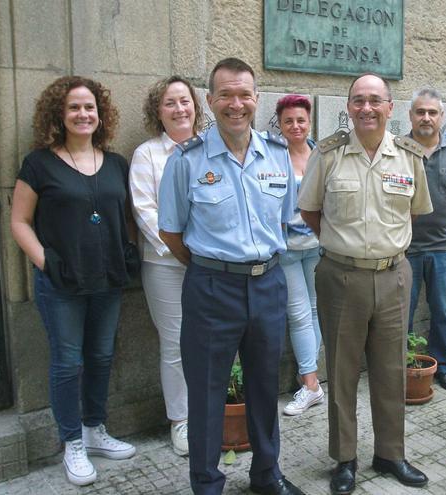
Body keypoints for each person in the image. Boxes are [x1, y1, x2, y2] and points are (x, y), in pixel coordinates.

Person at [158, 58, 303, 495]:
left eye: (244, 95)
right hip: (211, 289)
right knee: (206, 394)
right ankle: (206, 484)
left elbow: (285, 222)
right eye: (225, 95)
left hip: (267, 284)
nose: (235, 104)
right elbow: (171, 232)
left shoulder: (277, 158)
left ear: (257, 99)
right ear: (210, 100)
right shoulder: (186, 161)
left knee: (264, 388)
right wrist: (213, 269)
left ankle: (266, 475)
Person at [298, 73, 432, 495]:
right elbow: (311, 212)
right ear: (349, 107)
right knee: (340, 372)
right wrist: (347, 248)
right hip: (341, 276)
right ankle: (345, 458)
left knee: (391, 369)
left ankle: (390, 453)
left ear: (391, 108)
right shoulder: (329, 153)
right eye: (359, 100)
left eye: (376, 100)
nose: (367, 108)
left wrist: (382, 251)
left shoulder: (410, 157)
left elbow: (413, 214)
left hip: (393, 276)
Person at [10, 76, 136, 486]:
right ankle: (72, 443)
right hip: (61, 283)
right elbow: (18, 221)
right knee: (68, 362)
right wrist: (46, 261)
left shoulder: (116, 163)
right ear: (59, 115)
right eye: (74, 108)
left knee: (100, 357)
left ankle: (93, 429)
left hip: (108, 279)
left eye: (89, 108)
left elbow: (128, 219)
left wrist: (129, 251)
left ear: (101, 115)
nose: (83, 114)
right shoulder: (39, 163)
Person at [129, 75, 205, 456]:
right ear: (158, 112)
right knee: (175, 343)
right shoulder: (148, 155)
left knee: (210, 340)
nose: (179, 109)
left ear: (196, 106)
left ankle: (209, 413)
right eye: (170, 103)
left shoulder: (210, 148)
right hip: (165, 265)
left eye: (185, 101)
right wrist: (182, 252)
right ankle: (182, 421)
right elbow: (145, 212)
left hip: (211, 265)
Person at [405, 87, 446, 391]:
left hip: (444, 247)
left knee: (443, 309)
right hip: (404, 248)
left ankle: (443, 365)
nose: (426, 117)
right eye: (420, 112)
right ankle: (401, 365)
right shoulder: (397, 148)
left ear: (442, 117)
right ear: (411, 116)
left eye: (432, 112)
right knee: (401, 312)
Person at [274, 94, 325, 416]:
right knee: (299, 313)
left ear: (309, 122)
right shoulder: (273, 157)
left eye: (301, 120)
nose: (296, 126)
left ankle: (310, 379)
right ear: (279, 125)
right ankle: (311, 383)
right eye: (289, 121)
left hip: (318, 247)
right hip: (288, 250)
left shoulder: (321, 154)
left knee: (315, 311)